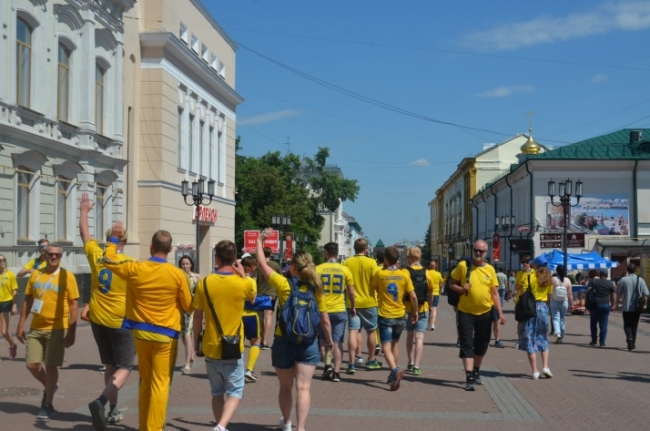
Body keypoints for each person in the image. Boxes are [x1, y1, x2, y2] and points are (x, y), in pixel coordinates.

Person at [102, 223, 192, 431]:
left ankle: (144, 426)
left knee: (144, 380)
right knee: (160, 383)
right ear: (170, 250)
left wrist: (114, 239)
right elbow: (188, 305)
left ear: (151, 247)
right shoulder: (178, 275)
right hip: (166, 336)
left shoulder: (137, 267)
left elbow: (109, 260)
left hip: (140, 332)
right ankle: (153, 428)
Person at [255, 228, 333, 431]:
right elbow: (324, 319)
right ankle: (301, 428)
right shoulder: (317, 288)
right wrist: (330, 341)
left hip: (284, 340)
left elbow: (262, 266)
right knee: (304, 388)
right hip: (309, 342)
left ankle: (287, 423)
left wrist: (259, 241)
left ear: (293, 268)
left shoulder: (285, 285)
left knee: (285, 387)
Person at [80, 193, 136, 430]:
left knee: (110, 365)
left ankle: (112, 410)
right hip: (119, 321)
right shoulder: (127, 263)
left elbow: (85, 235)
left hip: (97, 319)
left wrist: (84, 211)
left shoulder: (95, 255)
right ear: (123, 242)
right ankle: (101, 401)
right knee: (125, 366)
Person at [192, 240, 255, 431]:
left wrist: (197, 343)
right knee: (235, 391)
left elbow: (197, 317)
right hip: (233, 346)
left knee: (217, 392)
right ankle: (220, 427)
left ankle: (221, 426)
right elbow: (252, 298)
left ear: (216, 258)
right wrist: (243, 274)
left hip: (211, 345)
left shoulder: (204, 283)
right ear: (235, 259)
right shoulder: (243, 283)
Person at [16, 243, 79, 419]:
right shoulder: (36, 274)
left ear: (61, 257)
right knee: (32, 365)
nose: (53, 257)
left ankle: (48, 404)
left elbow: (74, 304)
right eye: (50, 254)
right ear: (44, 255)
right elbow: (28, 300)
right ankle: (51, 386)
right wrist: (21, 324)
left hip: (57, 328)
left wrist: (72, 331)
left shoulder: (68, 276)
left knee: (51, 366)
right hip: (36, 327)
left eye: (57, 255)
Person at [449, 240, 505, 391]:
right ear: (473, 250)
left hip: (485, 313)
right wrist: (461, 288)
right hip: (465, 312)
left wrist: (500, 313)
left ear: (486, 253)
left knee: (482, 344)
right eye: (476, 250)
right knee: (467, 344)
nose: (478, 253)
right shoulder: (463, 266)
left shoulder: (490, 270)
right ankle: (469, 377)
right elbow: (451, 283)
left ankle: (476, 371)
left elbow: (495, 293)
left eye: (481, 251)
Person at [372, 246, 417, 391]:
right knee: (395, 344)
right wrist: (415, 311)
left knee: (385, 346)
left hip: (385, 314)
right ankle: (393, 375)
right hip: (400, 314)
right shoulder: (404, 274)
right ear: (398, 259)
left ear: (385, 259)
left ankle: (395, 370)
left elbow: (375, 288)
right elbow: (413, 296)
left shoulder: (380, 273)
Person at [317, 242, 355, 382]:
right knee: (338, 341)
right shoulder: (344, 270)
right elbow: (351, 292)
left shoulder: (318, 269)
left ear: (326, 253)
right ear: (337, 253)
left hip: (323, 309)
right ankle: (337, 372)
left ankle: (327, 365)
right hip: (339, 309)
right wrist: (353, 306)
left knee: (323, 340)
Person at [343, 238, 381, 373]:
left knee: (353, 331)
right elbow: (376, 282)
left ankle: (351, 363)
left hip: (352, 303)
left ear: (354, 248)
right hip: (369, 301)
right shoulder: (371, 262)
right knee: (371, 330)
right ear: (365, 249)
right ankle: (371, 359)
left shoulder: (347, 262)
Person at [518, 256, 554, 379]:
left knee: (529, 338)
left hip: (530, 308)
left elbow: (523, 292)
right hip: (543, 307)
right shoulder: (549, 279)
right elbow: (549, 296)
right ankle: (545, 366)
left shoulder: (529, 276)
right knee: (542, 336)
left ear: (536, 265)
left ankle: (535, 371)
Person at [403, 247, 432, 376]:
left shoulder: (405, 271)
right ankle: (417, 366)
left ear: (410, 258)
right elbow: (430, 291)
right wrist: (430, 307)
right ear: (419, 258)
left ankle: (410, 361)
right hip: (423, 308)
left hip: (409, 308)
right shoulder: (427, 272)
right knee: (419, 337)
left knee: (410, 336)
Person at [616, 264, 648, 351]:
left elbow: (618, 294)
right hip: (637, 306)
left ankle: (629, 338)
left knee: (627, 324)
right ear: (635, 270)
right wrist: (645, 304)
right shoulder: (640, 280)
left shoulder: (623, 280)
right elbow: (645, 294)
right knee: (634, 325)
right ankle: (633, 342)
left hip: (626, 306)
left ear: (627, 270)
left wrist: (616, 304)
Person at [240, 255, 263, 381]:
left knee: (239, 342)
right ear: (251, 267)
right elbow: (253, 299)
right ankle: (249, 369)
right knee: (256, 342)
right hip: (251, 315)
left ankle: (237, 369)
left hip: (237, 315)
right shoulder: (251, 281)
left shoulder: (235, 279)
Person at [254, 247, 281, 349]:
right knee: (268, 317)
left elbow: (254, 279)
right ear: (271, 254)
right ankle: (265, 342)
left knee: (261, 318)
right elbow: (280, 279)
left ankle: (260, 340)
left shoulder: (258, 266)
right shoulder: (275, 265)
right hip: (271, 294)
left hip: (260, 294)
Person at [178, 255, 200, 374]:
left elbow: (201, 294)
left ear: (191, 264)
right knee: (182, 334)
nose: (185, 266)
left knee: (187, 335)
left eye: (187, 263)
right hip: (180, 310)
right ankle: (191, 353)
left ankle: (187, 365)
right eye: (183, 264)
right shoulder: (179, 276)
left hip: (192, 310)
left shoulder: (196, 277)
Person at [587, 269, 616, 347]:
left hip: (595, 305)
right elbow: (613, 297)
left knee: (593, 323)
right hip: (605, 305)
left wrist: (588, 304)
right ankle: (602, 342)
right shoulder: (610, 283)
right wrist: (612, 305)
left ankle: (593, 341)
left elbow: (588, 292)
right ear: (606, 275)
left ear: (599, 275)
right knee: (603, 325)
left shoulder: (593, 282)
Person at [0, 253, 19, 360]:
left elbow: (14, 291)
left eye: (4, 260)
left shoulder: (10, 274)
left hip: (6, 303)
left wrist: (14, 305)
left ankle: (12, 345)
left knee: (4, 331)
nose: (2, 262)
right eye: (0, 260)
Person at [514, 256, 534, 348]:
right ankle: (520, 340)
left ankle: (530, 339)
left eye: (526, 262)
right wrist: (520, 285)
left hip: (531, 300)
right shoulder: (519, 273)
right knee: (520, 321)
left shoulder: (534, 273)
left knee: (531, 320)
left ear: (530, 263)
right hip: (520, 299)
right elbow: (515, 287)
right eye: (523, 262)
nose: (524, 264)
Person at [549, 265, 573, 344]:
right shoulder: (567, 280)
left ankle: (557, 333)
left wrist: (548, 300)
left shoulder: (553, 279)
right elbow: (570, 294)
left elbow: (549, 291)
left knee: (555, 318)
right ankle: (561, 336)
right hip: (564, 302)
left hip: (554, 301)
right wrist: (571, 304)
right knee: (562, 319)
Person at [426, 260, 443, 331]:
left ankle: (429, 323)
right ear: (435, 266)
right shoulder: (438, 274)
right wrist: (440, 290)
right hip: (436, 293)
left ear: (430, 266)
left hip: (428, 293)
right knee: (434, 308)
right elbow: (441, 283)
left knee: (428, 309)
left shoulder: (427, 273)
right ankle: (432, 324)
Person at [493, 268, 508, 348]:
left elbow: (496, 291)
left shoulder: (493, 275)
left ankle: (497, 340)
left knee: (496, 322)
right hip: (482, 305)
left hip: (493, 304)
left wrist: (500, 312)